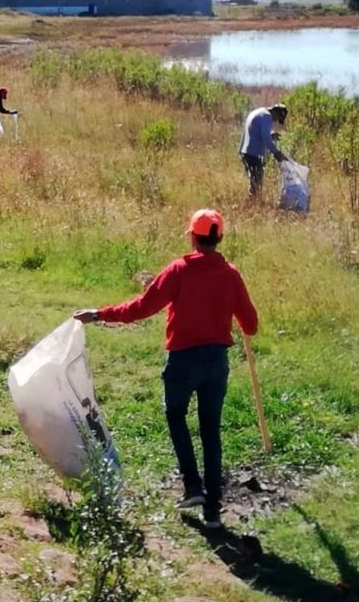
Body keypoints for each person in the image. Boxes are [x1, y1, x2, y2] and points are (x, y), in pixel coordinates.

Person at [73, 209, 258, 529]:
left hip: (183, 361)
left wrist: (98, 314)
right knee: (211, 432)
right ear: (220, 238)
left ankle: (192, 485)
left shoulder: (179, 270)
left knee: (175, 415)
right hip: (217, 362)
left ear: (192, 236)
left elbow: (141, 308)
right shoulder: (231, 274)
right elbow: (251, 326)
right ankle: (213, 512)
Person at [239, 103, 288, 197]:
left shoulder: (259, 112)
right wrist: (276, 153)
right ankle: (253, 205)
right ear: (276, 112)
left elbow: (256, 132)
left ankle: (252, 203)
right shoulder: (266, 116)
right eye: (277, 119)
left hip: (246, 151)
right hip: (252, 153)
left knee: (254, 181)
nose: (275, 121)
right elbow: (265, 138)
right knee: (256, 182)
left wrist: (271, 135)